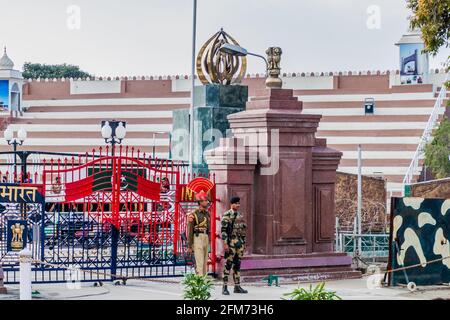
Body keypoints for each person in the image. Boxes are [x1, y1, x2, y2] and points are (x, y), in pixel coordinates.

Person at [221, 196, 248, 295]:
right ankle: (224, 287)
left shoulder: (240, 215)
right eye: (236, 203)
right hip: (231, 243)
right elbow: (223, 231)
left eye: (239, 203)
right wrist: (225, 244)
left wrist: (244, 243)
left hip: (239, 244)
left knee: (237, 265)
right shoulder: (227, 215)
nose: (238, 205)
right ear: (231, 204)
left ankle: (237, 286)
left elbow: (243, 231)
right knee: (228, 264)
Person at [187, 190, 210, 276]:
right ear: (200, 202)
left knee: (205, 261)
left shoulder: (207, 214)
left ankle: (203, 280)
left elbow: (209, 228)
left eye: (207, 200)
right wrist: (189, 245)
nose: (207, 202)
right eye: (205, 200)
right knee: (199, 262)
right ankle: (199, 282)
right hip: (197, 237)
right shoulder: (193, 214)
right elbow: (190, 230)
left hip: (205, 237)